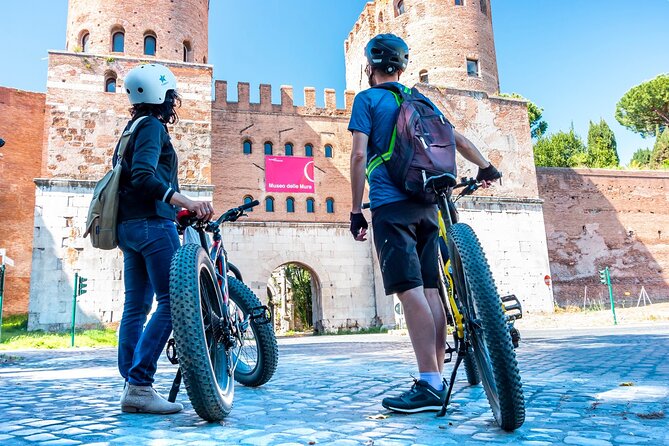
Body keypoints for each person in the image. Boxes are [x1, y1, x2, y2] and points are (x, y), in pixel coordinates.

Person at [348, 34, 501, 413]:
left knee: (409, 289)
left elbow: (356, 156)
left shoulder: (367, 100)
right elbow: (458, 138)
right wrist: (486, 166)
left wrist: (355, 210)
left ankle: (430, 382)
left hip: (391, 205)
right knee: (432, 290)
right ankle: (432, 373)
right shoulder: (421, 100)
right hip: (427, 205)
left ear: (371, 68)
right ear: (401, 67)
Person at [116, 63, 214, 414]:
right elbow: (143, 176)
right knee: (175, 300)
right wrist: (183, 200)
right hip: (151, 225)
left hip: (128, 227)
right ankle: (141, 385)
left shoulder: (131, 128)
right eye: (171, 94)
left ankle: (132, 385)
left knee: (136, 308)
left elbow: (135, 177)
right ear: (163, 96)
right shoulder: (153, 127)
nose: (174, 100)